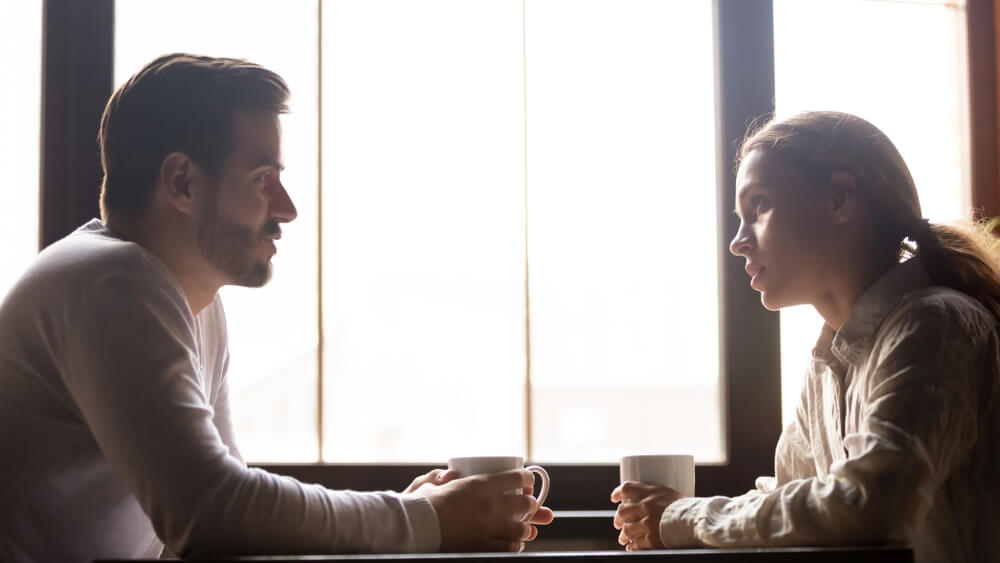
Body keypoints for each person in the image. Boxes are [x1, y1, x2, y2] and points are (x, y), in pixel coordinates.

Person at [0, 53, 552, 563]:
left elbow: (231, 516)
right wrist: (423, 520)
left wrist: (412, 513)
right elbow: (212, 513)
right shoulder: (112, 284)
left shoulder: (189, 302)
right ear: (182, 182)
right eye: (263, 179)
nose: (286, 209)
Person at [611, 111, 1000, 563]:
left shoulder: (935, 325)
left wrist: (684, 519)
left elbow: (866, 506)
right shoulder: (826, 365)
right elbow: (792, 499)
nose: (737, 241)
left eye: (758, 205)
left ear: (837, 199)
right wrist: (670, 516)